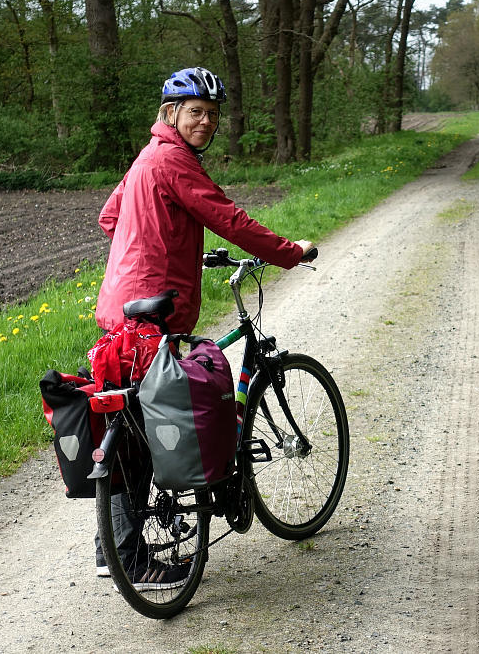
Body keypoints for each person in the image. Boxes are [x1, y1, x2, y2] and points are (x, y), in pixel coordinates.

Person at [92, 66, 313, 590]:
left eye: (213, 114)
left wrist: (156, 240)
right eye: (196, 112)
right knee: (148, 435)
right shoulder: (173, 160)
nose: (206, 122)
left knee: (133, 424)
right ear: (171, 114)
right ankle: (131, 557)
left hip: (121, 307)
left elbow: (109, 218)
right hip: (156, 311)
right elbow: (227, 218)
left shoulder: (148, 157)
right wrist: (288, 253)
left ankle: (111, 549)